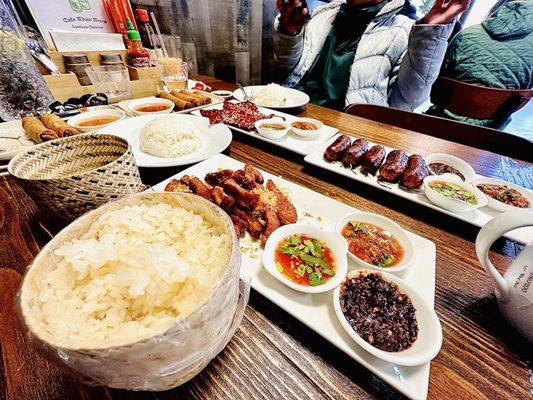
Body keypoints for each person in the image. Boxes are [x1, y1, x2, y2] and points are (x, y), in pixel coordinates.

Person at [273, 0, 471, 111]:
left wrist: (430, 32)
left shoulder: (404, 30)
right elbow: (288, 69)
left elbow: (406, 103)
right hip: (294, 114)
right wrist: (289, 31)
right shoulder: (322, 15)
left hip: (348, 134)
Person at [427, 0, 533, 129]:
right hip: (487, 133)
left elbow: (436, 83)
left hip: (436, 122)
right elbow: (522, 99)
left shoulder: (468, 33)